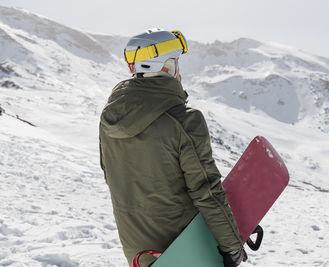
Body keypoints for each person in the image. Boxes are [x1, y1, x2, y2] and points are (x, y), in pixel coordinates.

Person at [99, 29, 247, 267]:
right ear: (167, 66)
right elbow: (205, 190)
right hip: (184, 247)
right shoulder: (185, 120)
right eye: (177, 62)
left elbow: (113, 177)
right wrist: (231, 244)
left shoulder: (109, 119)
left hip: (138, 250)